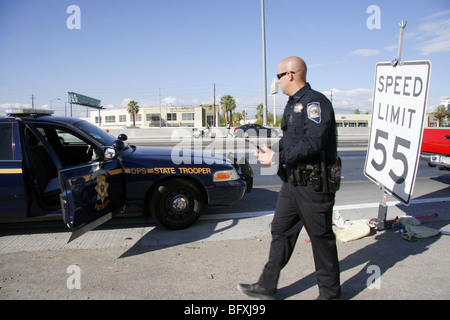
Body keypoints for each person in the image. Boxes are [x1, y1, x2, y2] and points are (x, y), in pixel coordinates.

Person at [238, 56, 341, 300]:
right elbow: (291, 140)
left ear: (290, 75)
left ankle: (330, 296)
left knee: (320, 239)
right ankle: (266, 285)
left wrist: (276, 158)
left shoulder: (316, 103)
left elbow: (314, 142)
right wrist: (274, 152)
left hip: (313, 185)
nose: (277, 82)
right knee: (280, 230)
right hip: (292, 182)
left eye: (278, 76)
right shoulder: (292, 104)